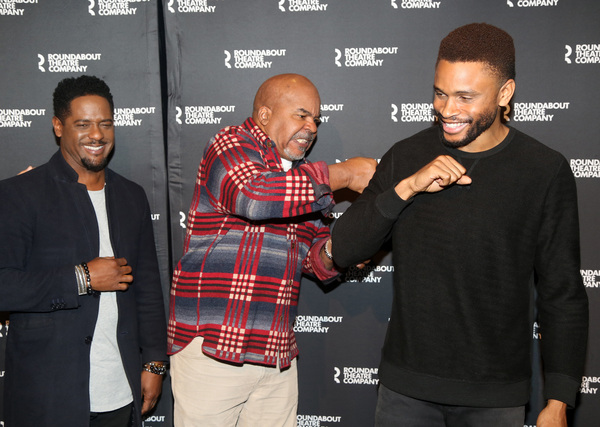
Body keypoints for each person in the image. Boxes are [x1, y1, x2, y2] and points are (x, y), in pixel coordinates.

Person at [332, 23, 588, 427]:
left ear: (505, 94)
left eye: (466, 97)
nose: (448, 109)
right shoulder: (405, 156)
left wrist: (558, 400)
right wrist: (407, 189)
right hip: (404, 395)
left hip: (496, 397)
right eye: (440, 92)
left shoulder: (543, 170)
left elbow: (563, 292)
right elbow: (343, 251)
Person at [168, 73, 377, 426]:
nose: (311, 126)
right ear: (265, 115)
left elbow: (314, 262)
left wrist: (344, 248)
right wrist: (346, 174)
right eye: (301, 115)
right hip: (214, 350)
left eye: (316, 119)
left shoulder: (302, 181)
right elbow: (254, 196)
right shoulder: (230, 143)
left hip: (276, 354)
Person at [0, 75, 168, 426]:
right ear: (58, 126)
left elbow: (148, 289)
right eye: (84, 124)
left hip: (119, 390)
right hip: (47, 396)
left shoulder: (131, 196)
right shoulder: (19, 194)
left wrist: (154, 362)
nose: (97, 135)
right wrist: (83, 277)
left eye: (105, 124)